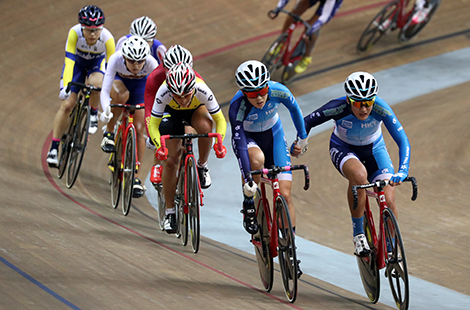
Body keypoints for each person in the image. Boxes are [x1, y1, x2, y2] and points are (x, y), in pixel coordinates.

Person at [292, 71, 411, 257]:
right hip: (344, 147)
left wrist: (403, 170)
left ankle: (391, 245)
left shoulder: (381, 108)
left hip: (375, 150)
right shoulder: (337, 107)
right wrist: (301, 143)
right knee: (359, 176)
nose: (364, 109)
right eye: (358, 103)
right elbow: (306, 121)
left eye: (368, 103)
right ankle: (358, 235)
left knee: (388, 198)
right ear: (348, 100)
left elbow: (403, 141)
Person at [229, 60, 308, 276]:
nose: (259, 97)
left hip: (274, 135)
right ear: (244, 93)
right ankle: (251, 206)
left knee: (284, 194)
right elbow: (240, 147)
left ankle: (290, 248)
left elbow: (295, 110)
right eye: (252, 94)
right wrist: (248, 183)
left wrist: (302, 138)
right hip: (249, 140)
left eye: (263, 91)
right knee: (257, 161)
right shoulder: (237, 106)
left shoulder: (279, 91)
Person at [148, 62, 227, 233]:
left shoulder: (202, 88)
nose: (183, 99)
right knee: (171, 160)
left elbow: (220, 120)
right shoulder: (164, 91)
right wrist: (158, 145)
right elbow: (153, 126)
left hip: (195, 111)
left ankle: (202, 166)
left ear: (193, 88)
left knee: (206, 127)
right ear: (170, 90)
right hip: (171, 114)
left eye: (186, 94)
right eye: (178, 95)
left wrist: (220, 142)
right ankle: (170, 212)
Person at [46, 5, 115, 167]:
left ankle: (92, 112)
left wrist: (108, 91)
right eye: (88, 30)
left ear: (102, 28)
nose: (93, 34)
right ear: (81, 28)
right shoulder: (74, 33)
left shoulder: (108, 38)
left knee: (96, 84)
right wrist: (65, 87)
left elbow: (112, 68)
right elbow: (69, 62)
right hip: (76, 65)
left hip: (96, 65)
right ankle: (54, 148)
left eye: (96, 30)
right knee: (67, 104)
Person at [100, 35, 159, 198]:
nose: (136, 65)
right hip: (120, 84)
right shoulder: (115, 59)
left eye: (140, 61)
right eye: (132, 61)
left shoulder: (152, 63)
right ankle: (110, 134)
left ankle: (135, 176)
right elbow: (105, 91)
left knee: (140, 129)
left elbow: (158, 95)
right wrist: (106, 110)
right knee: (121, 96)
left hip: (140, 88)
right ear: (124, 57)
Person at [143, 45, 203, 186]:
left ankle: (189, 160)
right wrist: (153, 137)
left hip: (185, 107)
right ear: (165, 68)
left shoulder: (195, 77)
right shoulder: (155, 78)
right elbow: (149, 112)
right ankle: (157, 164)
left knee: (188, 135)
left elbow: (204, 105)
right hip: (165, 107)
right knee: (161, 133)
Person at [268, 0, 343, 74]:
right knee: (293, 14)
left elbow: (324, 17)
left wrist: (311, 30)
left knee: (310, 28)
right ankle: (281, 42)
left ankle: (306, 57)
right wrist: (277, 9)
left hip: (331, 4)